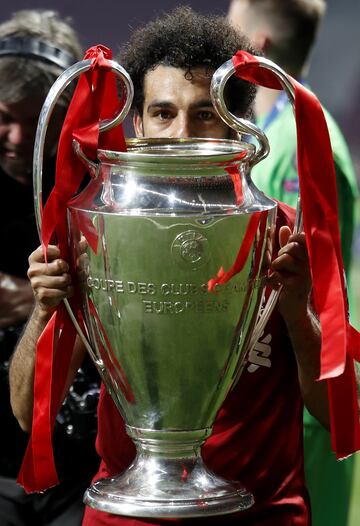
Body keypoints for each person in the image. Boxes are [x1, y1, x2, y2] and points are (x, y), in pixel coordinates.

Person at [10, 7, 331, 526]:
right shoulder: (95, 232)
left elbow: (343, 418)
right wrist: (46, 311)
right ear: (135, 122)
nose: (182, 133)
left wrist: (298, 311)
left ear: (238, 124)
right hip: (128, 511)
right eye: (163, 113)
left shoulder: (288, 235)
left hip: (255, 512)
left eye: (205, 113)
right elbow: (29, 414)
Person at [227, 2, 359, 525]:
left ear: (255, 50)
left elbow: (298, 275)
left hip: (304, 400)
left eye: (227, 32)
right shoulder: (277, 131)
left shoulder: (304, 137)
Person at [0, 9, 100, 526]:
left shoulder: (99, 187)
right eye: (2, 117)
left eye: (32, 119)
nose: (16, 138)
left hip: (82, 463)